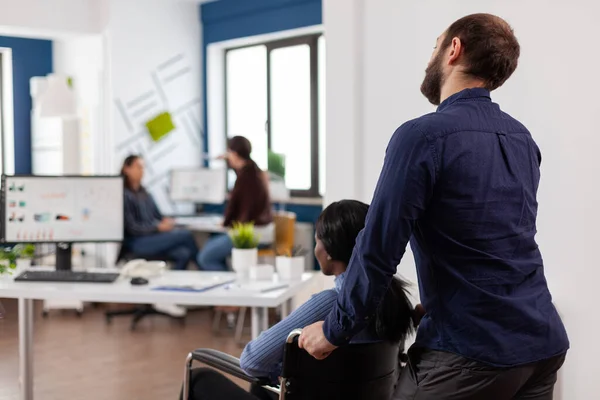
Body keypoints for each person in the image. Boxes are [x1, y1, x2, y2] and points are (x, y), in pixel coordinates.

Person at [299, 14, 569, 400]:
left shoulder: (422, 136)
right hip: (541, 345)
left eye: (435, 46)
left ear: (453, 49)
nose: (431, 58)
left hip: (470, 353)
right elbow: (500, 240)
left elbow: (378, 245)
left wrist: (334, 329)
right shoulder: (520, 137)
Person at [182, 200, 416, 400]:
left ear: (329, 252)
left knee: (200, 376)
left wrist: (283, 370)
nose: (316, 248)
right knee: (261, 386)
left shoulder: (330, 305)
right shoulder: (394, 299)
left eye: (317, 241)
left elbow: (252, 360)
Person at [197, 136, 273, 271]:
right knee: (211, 244)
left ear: (235, 154)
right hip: (260, 230)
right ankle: (227, 282)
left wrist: (226, 223)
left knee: (205, 257)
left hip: (253, 233)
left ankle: (226, 285)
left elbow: (236, 207)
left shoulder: (246, 178)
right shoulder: (252, 170)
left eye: (229, 152)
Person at [121, 155, 198, 271]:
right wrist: (157, 228)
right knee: (185, 235)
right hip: (137, 242)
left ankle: (174, 286)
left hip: (152, 237)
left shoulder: (145, 193)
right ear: (126, 169)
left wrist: (165, 221)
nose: (142, 171)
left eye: (143, 168)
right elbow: (133, 228)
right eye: (138, 167)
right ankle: (203, 265)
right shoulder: (124, 195)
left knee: (183, 253)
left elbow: (158, 216)